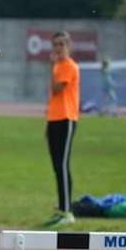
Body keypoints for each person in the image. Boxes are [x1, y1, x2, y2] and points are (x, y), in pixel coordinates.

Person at [44, 31, 79, 227]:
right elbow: (53, 97)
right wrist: (47, 125)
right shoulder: (57, 67)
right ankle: (61, 208)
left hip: (66, 119)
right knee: (57, 166)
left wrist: (52, 67)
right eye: (55, 44)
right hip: (55, 119)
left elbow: (58, 89)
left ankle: (67, 211)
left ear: (68, 46)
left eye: (61, 45)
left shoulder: (68, 66)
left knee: (63, 165)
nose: (57, 49)